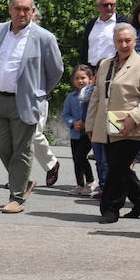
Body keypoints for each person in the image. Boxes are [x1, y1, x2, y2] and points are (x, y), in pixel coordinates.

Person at [0, 0, 65, 214]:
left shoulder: (44, 37)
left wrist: (37, 92)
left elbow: (56, 71)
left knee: (22, 150)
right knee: (2, 147)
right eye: (18, 8)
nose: (22, 13)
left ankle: (17, 197)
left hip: (25, 101)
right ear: (10, 9)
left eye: (27, 9)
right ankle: (23, 182)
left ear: (33, 11)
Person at [86, 24, 140, 223]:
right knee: (120, 167)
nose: (124, 44)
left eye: (128, 40)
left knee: (116, 168)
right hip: (108, 125)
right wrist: (90, 124)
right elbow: (97, 95)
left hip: (131, 126)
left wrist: (133, 117)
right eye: (120, 40)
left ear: (135, 42)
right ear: (114, 42)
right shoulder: (105, 64)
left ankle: (110, 209)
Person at [29, 3, 62, 187]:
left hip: (38, 95)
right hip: (15, 96)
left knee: (34, 134)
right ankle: (18, 176)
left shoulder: (45, 38)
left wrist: (43, 90)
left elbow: (56, 69)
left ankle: (52, 163)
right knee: (16, 138)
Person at [60, 65, 96, 196]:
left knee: (81, 155)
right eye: (77, 78)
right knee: (76, 158)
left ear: (90, 79)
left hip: (88, 133)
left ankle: (91, 181)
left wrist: (87, 124)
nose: (80, 81)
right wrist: (73, 123)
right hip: (75, 133)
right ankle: (79, 184)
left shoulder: (94, 95)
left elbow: (95, 112)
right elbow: (65, 114)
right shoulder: (71, 97)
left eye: (83, 78)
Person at [79, 0, 128, 69]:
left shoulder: (122, 23)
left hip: (113, 68)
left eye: (112, 5)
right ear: (98, 6)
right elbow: (85, 47)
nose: (109, 8)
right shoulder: (91, 24)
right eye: (105, 5)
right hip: (91, 70)